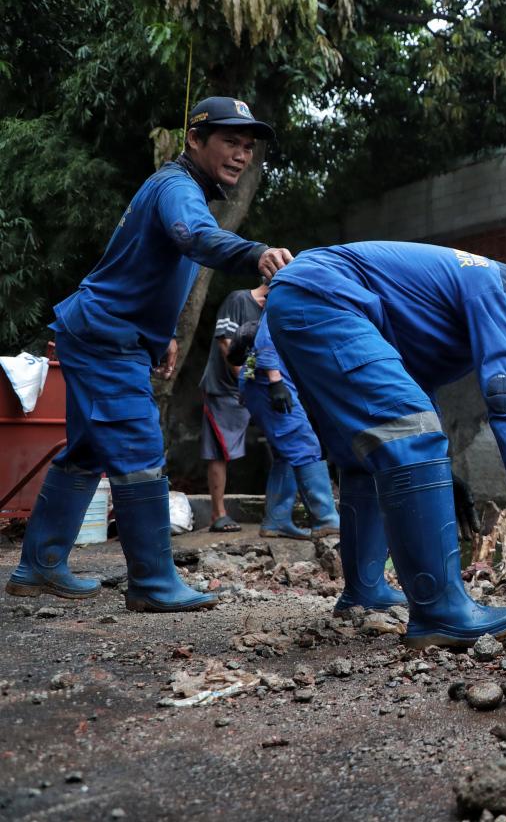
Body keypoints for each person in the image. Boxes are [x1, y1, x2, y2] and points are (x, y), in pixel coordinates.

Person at [4, 96, 293, 612]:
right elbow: (195, 238)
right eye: (230, 141)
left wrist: (162, 334)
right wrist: (254, 252)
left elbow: (146, 269)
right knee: (139, 454)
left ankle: (38, 567)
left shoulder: (180, 190)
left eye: (248, 146)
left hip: (107, 331)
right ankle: (154, 583)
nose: (241, 154)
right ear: (194, 140)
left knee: (86, 454)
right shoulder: (177, 189)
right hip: (105, 338)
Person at [265, 243, 506, 648]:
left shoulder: (476, 290)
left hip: (304, 300)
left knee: (369, 454)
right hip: (328, 299)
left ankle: (364, 591)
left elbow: (415, 382)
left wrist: (442, 471)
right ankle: (441, 613)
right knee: (411, 435)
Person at [228, 318, 344, 543]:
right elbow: (266, 337)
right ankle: (326, 520)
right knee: (304, 445)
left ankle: (277, 519)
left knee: (287, 453)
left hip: (260, 376)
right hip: (269, 377)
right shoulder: (291, 293)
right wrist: (275, 382)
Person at [199, 282, 267, 532]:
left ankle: (277, 515)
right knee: (219, 451)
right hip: (225, 388)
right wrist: (243, 382)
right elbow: (226, 343)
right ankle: (218, 514)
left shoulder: (272, 310)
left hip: (257, 386)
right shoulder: (238, 299)